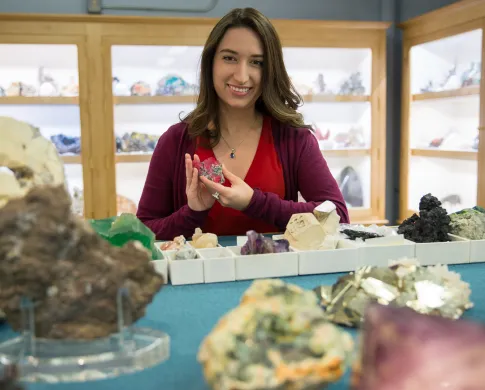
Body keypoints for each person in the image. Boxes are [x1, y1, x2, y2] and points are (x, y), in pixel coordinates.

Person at [137, 7, 349, 240]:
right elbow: (143, 232)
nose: (241, 76)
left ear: (270, 70)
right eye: (229, 58)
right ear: (211, 62)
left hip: (279, 276)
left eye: (257, 62)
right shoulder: (175, 142)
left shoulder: (294, 139)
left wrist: (254, 202)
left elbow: (337, 216)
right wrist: (193, 213)